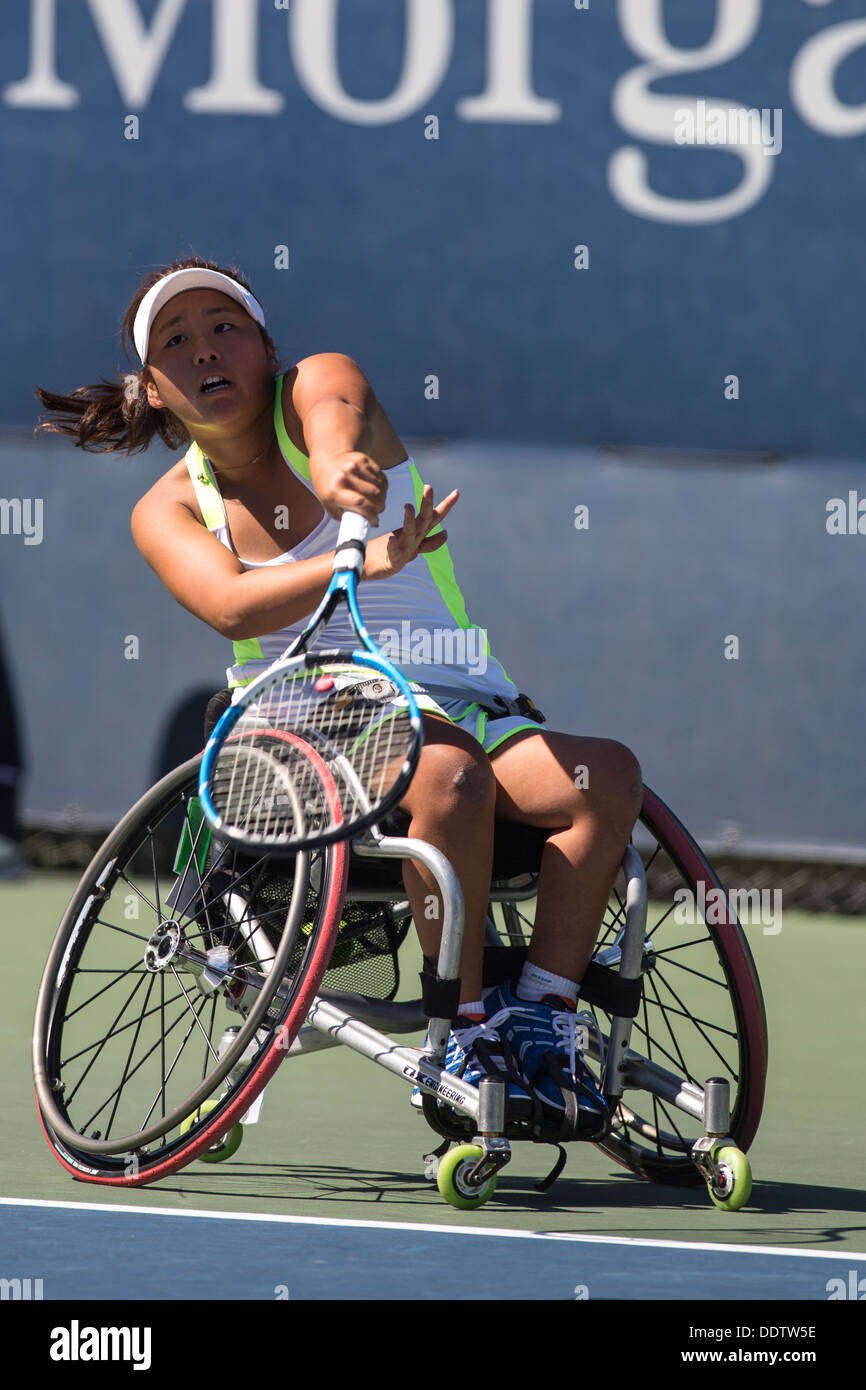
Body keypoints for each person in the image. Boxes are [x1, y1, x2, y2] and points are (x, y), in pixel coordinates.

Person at [35, 255, 642, 1132]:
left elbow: (335, 425)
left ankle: (541, 1018)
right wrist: (356, 556)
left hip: (453, 694)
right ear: (155, 389)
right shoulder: (164, 510)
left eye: (224, 329)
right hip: (308, 725)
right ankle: (463, 1031)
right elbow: (231, 604)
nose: (205, 350)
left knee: (606, 779)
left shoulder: (318, 381)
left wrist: (336, 480)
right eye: (176, 341)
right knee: (450, 777)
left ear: (266, 347)